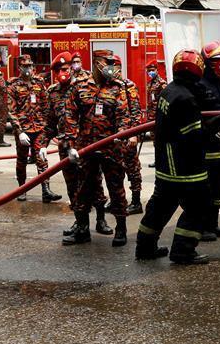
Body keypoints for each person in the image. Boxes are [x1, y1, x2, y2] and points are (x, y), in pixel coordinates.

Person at [135, 49, 211, 264]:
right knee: (198, 205)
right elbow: (194, 136)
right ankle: (183, 251)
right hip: (184, 166)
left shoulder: (169, 90)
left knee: (160, 206)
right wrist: (214, 128)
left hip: (165, 163)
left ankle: (145, 247)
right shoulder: (186, 99)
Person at [61, 50, 132, 247]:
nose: (110, 66)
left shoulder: (118, 87)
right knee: (83, 188)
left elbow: (123, 116)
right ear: (96, 63)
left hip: (111, 147)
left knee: (116, 188)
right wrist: (71, 144)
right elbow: (70, 115)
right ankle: (82, 230)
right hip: (86, 148)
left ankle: (121, 229)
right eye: (106, 62)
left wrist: (121, 136)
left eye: (112, 63)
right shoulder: (80, 86)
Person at [7, 55, 62, 203]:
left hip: (39, 128)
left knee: (41, 158)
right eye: (25, 66)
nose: (28, 69)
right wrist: (19, 132)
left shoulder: (39, 83)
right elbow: (11, 111)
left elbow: (46, 105)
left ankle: (46, 190)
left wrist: (46, 125)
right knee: (22, 160)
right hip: (23, 130)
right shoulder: (13, 85)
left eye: (30, 66)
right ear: (19, 68)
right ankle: (22, 189)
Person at [198, 42, 220, 240]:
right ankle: (202, 227)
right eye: (216, 61)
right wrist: (211, 131)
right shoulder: (199, 84)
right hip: (205, 147)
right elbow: (195, 115)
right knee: (206, 188)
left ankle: (213, 224)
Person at [112, 55, 144, 215]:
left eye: (114, 66)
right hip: (113, 138)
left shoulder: (128, 86)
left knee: (132, 168)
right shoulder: (107, 88)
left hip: (127, 137)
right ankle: (117, 200)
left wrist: (134, 134)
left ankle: (136, 202)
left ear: (119, 67)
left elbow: (136, 112)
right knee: (114, 170)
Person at [145, 58, 166, 168]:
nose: (150, 72)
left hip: (158, 116)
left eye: (152, 70)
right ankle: (158, 159)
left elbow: (165, 100)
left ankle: (162, 160)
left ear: (157, 70)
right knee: (154, 140)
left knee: (160, 140)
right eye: (149, 70)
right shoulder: (150, 83)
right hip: (151, 116)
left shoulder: (161, 84)